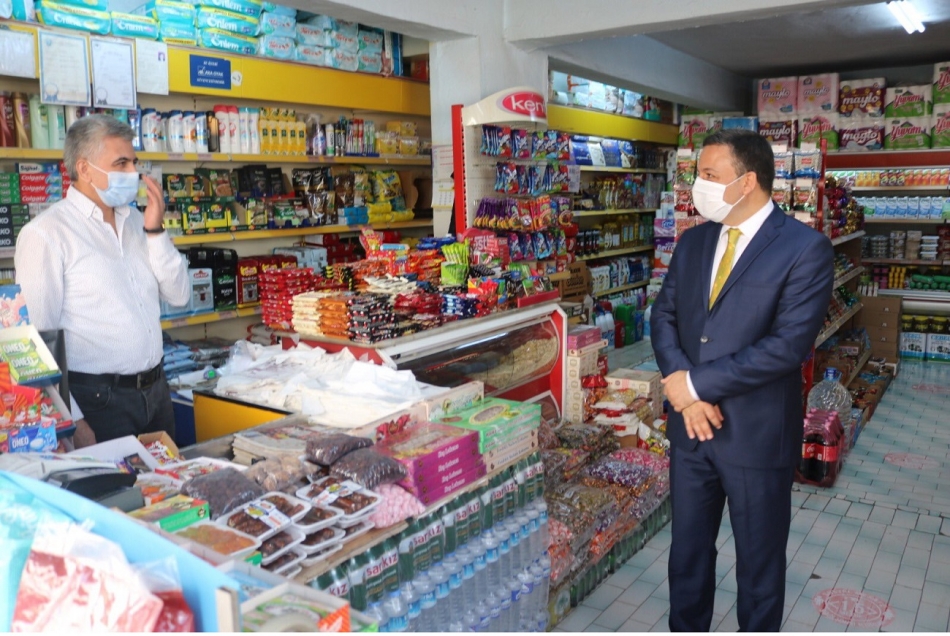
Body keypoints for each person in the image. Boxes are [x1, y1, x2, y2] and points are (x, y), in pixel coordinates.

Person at [650, 129, 835, 632]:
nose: (698, 185)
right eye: (698, 175)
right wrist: (682, 388)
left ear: (747, 181)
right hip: (692, 433)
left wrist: (695, 386)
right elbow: (664, 316)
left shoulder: (804, 249)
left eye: (709, 175)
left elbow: (786, 347)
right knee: (687, 556)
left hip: (756, 436)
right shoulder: (694, 242)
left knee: (759, 566)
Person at [16, 115, 189, 448]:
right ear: (84, 169)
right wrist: (72, 418)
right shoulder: (47, 234)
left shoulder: (138, 220)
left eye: (134, 162)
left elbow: (180, 295)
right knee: (116, 485)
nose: (133, 173)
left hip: (156, 392)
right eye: (121, 163)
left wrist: (156, 230)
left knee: (170, 481)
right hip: (97, 402)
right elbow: (35, 343)